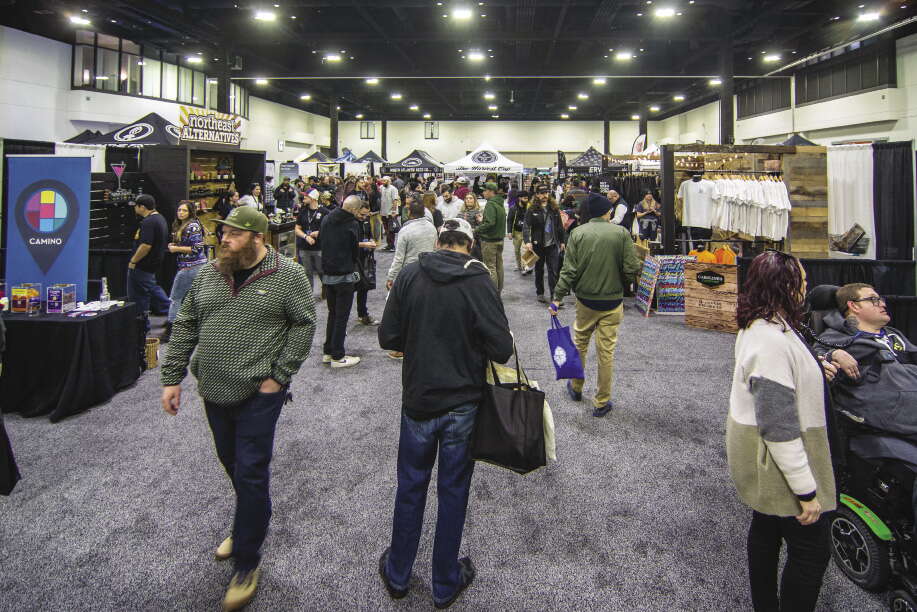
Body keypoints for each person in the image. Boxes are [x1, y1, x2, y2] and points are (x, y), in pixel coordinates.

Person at [160, 206, 315, 612]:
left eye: (232, 234)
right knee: (232, 462)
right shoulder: (210, 273)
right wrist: (172, 377)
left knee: (249, 470)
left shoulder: (288, 276)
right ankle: (249, 520)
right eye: (222, 233)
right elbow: (188, 323)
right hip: (213, 390)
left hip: (259, 395)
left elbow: (304, 324)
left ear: (257, 238)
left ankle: (247, 561)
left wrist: (278, 377)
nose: (223, 239)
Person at [377, 216, 514, 610]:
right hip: (462, 403)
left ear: (439, 240)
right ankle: (443, 582)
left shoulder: (410, 274)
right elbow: (500, 347)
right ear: (469, 245)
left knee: (410, 486)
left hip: (419, 399)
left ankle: (399, 573)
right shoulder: (478, 280)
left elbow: (389, 336)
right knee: (453, 489)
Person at [727, 250, 838, 612]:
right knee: (810, 553)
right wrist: (806, 490)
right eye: (801, 280)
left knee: (766, 528)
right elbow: (778, 427)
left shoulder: (763, 326)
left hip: (764, 460)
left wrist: (815, 367)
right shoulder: (770, 339)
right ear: (786, 286)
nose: (806, 286)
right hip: (780, 465)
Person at [550, 194, 642, 417]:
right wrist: (621, 283)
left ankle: (577, 387)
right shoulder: (621, 233)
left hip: (585, 300)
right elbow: (632, 267)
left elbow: (569, 270)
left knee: (580, 343)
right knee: (606, 351)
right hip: (612, 301)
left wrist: (557, 297)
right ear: (606, 212)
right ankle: (601, 401)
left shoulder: (577, 234)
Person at [320, 195, 371, 368]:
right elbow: (354, 251)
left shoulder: (326, 218)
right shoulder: (352, 224)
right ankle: (338, 356)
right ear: (354, 210)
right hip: (344, 275)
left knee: (332, 314)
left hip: (327, 274)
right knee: (342, 316)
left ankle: (328, 351)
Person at [384, 199, 438, 360]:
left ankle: (402, 348)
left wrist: (391, 277)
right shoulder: (432, 227)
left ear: (409, 213)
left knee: (404, 312)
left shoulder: (405, 231)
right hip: (429, 272)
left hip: (409, 274)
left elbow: (398, 258)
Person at [162, 200, 208, 342]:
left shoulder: (192, 226)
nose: (180, 212)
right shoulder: (184, 225)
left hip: (191, 267)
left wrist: (176, 249)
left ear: (190, 212)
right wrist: (176, 245)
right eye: (179, 210)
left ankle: (170, 329)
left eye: (184, 210)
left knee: (175, 298)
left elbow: (196, 249)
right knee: (191, 299)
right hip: (191, 266)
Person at [128, 194, 171, 330]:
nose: (134, 208)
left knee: (145, 293)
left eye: (136, 206)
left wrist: (133, 261)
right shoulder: (160, 218)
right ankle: (143, 324)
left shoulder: (148, 222)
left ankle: (174, 313)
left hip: (143, 265)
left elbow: (146, 245)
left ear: (142, 207)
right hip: (152, 264)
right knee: (149, 291)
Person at [524, 189, 565, 304]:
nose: (544, 195)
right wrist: (527, 241)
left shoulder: (554, 208)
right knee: (539, 269)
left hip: (552, 244)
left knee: (553, 270)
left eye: (546, 193)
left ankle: (554, 296)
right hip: (538, 245)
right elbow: (526, 226)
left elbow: (560, 226)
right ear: (537, 195)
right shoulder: (532, 209)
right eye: (542, 193)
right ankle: (540, 292)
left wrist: (562, 241)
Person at [294, 189, 328, 297]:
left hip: (319, 247)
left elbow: (332, 227)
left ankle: (326, 290)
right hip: (305, 247)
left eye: (306, 197)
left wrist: (320, 232)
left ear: (313, 198)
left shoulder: (325, 212)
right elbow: (297, 228)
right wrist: (305, 236)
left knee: (322, 270)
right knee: (307, 273)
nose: (303, 198)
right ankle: (309, 294)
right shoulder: (303, 211)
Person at [476, 182, 507, 294]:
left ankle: (493, 293)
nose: (483, 193)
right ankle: (498, 290)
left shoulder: (490, 204)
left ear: (490, 191)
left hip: (489, 241)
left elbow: (490, 223)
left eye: (484, 191)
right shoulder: (500, 203)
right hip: (499, 240)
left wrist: (477, 229)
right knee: (499, 266)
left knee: (490, 267)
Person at [355, 202, 380, 326]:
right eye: (361, 214)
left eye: (366, 215)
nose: (364, 217)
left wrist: (371, 242)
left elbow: (369, 236)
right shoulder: (351, 223)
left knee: (364, 287)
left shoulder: (365, 221)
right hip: (352, 259)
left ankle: (362, 314)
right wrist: (364, 244)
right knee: (349, 289)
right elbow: (347, 243)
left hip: (365, 258)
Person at [506, 190, 529, 272]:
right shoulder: (513, 209)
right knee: (517, 250)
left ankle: (525, 266)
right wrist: (509, 232)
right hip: (516, 232)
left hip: (527, 233)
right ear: (519, 198)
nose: (526, 200)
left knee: (525, 250)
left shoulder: (529, 208)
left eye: (527, 198)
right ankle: (519, 265)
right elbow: (509, 220)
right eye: (525, 198)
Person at [458, 193, 484, 260]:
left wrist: (473, 230)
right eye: (467, 198)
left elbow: (482, 226)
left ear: (475, 200)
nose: (468, 200)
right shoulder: (461, 212)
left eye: (470, 198)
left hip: (474, 241)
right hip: (461, 240)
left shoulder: (478, 212)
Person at [380, 176, 402, 252]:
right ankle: (388, 245)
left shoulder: (393, 189)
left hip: (391, 213)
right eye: (383, 181)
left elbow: (395, 201)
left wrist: (393, 212)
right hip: (383, 212)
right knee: (386, 230)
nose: (383, 182)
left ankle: (392, 246)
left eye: (385, 181)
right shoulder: (381, 188)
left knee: (391, 230)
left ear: (389, 181)